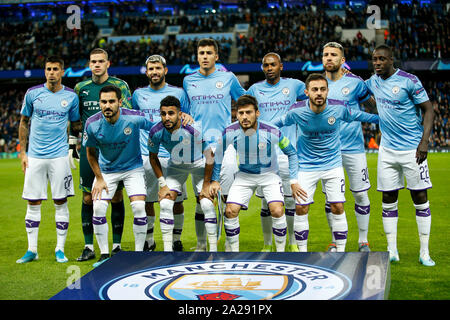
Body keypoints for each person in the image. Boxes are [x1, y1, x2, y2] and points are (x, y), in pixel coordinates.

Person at [273, 73, 379, 252]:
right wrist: (261, 132)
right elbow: (275, 125)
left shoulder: (338, 108)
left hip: (333, 166)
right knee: (301, 208)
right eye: (315, 89)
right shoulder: (297, 110)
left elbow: (359, 115)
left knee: (337, 206)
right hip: (306, 168)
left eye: (323, 89)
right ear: (307, 92)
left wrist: (381, 119)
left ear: (328, 91)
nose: (319, 93)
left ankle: (340, 251)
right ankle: (302, 252)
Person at [209, 95, 307, 252]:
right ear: (236, 115)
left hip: (269, 175)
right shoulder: (229, 132)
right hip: (244, 176)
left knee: (277, 210)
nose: (244, 117)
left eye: (249, 112)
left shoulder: (272, 131)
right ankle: (233, 254)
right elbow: (218, 155)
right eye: (241, 113)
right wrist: (214, 180)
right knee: (230, 211)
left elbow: (292, 153)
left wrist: (293, 180)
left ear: (257, 113)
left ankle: (280, 254)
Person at [365, 45, 435, 266]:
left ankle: (424, 252)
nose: (377, 63)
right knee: (388, 198)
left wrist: (424, 142)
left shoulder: (409, 80)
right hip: (386, 150)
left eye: (382, 59)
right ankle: (392, 250)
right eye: (374, 59)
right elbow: (362, 93)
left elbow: (429, 109)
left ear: (391, 59)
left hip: (413, 150)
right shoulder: (373, 81)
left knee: (420, 198)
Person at [17, 56, 81, 264]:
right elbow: (24, 121)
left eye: (55, 69)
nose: (51, 72)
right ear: (45, 71)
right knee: (33, 202)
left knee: (60, 201)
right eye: (48, 69)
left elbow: (75, 124)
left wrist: (73, 148)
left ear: (62, 71)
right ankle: (32, 249)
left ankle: (60, 249)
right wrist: (22, 153)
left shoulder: (71, 96)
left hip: (60, 157)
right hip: (35, 156)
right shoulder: (33, 93)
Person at [183, 38, 246, 251]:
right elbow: (184, 111)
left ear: (216, 56)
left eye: (209, 53)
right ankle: (202, 245)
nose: (205, 57)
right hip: (197, 148)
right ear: (197, 56)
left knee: (226, 197)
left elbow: (245, 102)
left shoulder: (228, 78)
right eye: (201, 53)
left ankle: (230, 244)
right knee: (202, 198)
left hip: (224, 146)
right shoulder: (188, 81)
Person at [83, 85, 154, 267]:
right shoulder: (92, 123)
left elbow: (157, 126)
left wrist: (183, 118)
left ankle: (138, 254)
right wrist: (98, 178)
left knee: (139, 206)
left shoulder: (134, 117)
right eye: (104, 102)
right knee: (98, 208)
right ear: (100, 103)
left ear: (120, 102)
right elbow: (90, 154)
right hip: (107, 171)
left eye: (112, 101)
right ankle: (105, 255)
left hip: (133, 168)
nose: (107, 105)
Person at [74, 48, 132, 261]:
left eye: (101, 61)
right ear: (89, 64)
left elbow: (127, 115)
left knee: (116, 195)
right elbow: (76, 119)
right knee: (88, 197)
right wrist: (74, 142)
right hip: (89, 150)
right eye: (93, 61)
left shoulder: (120, 86)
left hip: (115, 150)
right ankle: (89, 246)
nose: (96, 65)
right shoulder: (81, 88)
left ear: (108, 64)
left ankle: (116, 246)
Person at [247, 52, 307, 252]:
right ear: (262, 68)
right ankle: (267, 244)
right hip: (264, 154)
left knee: (290, 200)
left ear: (281, 66)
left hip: (289, 151)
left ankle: (291, 242)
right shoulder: (255, 89)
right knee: (266, 202)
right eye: (266, 65)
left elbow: (310, 99)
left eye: (273, 64)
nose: (269, 68)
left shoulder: (295, 85)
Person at [132, 54, 193, 252]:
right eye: (151, 69)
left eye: (158, 68)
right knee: (149, 199)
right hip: (147, 154)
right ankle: (149, 240)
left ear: (165, 70)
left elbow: (187, 118)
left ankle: (176, 239)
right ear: (146, 71)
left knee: (177, 200)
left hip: (175, 155)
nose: (154, 72)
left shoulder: (179, 93)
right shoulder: (138, 95)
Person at [322, 42, 377, 252]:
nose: (329, 58)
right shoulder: (317, 83)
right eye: (326, 54)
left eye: (333, 55)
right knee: (331, 199)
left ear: (342, 60)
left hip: (353, 148)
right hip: (328, 151)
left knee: (361, 194)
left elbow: (372, 106)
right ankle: (335, 241)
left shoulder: (356, 83)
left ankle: (363, 241)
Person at [148, 96, 217, 252]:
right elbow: (153, 158)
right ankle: (168, 252)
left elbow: (209, 155)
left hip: (199, 164)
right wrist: (163, 185)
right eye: (163, 114)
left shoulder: (193, 129)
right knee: (165, 203)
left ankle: (211, 250)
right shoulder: (156, 131)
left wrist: (207, 184)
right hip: (176, 167)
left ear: (180, 114)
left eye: (171, 113)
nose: (167, 117)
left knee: (206, 203)